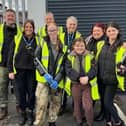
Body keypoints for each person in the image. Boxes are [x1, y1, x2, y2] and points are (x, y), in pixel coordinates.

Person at [33, 23, 67, 126]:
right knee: (41, 104)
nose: (52, 32)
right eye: (50, 30)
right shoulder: (42, 43)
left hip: (56, 82)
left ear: (58, 31)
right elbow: (36, 60)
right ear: (47, 32)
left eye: (54, 30)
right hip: (44, 80)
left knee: (55, 103)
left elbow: (63, 66)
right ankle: (38, 123)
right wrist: (44, 74)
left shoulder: (63, 46)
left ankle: (52, 122)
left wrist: (57, 79)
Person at [8, 19, 38, 126]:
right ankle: (23, 114)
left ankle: (30, 113)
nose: (28, 29)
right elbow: (10, 55)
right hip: (19, 71)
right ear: (23, 28)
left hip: (32, 71)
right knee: (21, 94)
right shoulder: (17, 39)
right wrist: (10, 70)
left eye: (30, 27)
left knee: (31, 93)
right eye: (27, 27)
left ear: (33, 28)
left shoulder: (37, 40)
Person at [95, 22, 125, 126]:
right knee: (104, 102)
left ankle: (118, 121)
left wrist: (124, 69)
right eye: (109, 30)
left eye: (113, 30)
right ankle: (108, 122)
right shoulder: (101, 44)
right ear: (106, 33)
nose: (111, 32)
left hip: (112, 80)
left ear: (118, 31)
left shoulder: (123, 46)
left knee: (108, 102)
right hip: (101, 78)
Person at [65, 37, 99, 126]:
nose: (79, 47)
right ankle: (79, 121)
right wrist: (79, 78)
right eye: (77, 46)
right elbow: (68, 70)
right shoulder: (69, 57)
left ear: (85, 46)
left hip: (87, 85)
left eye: (81, 45)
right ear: (73, 46)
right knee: (77, 104)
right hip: (75, 84)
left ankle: (89, 123)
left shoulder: (91, 56)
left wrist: (87, 77)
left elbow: (94, 69)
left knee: (87, 106)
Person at [0, 9, 21, 120]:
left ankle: (19, 106)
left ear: (15, 17)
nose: (10, 18)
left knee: (17, 87)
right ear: (4, 17)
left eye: (12, 16)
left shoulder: (19, 31)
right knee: (2, 87)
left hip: (15, 65)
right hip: (2, 64)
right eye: (8, 16)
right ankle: (3, 108)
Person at [59, 16, 82, 114]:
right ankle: (62, 105)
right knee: (62, 86)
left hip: (73, 65)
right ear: (66, 25)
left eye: (74, 24)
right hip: (62, 64)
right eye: (70, 24)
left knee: (74, 85)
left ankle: (75, 107)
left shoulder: (79, 36)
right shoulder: (61, 35)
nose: (72, 26)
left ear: (76, 26)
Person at [85, 23, 106, 121]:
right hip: (91, 73)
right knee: (90, 94)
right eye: (94, 31)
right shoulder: (89, 40)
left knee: (103, 95)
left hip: (102, 73)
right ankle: (89, 113)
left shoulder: (106, 41)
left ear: (103, 31)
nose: (96, 32)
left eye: (98, 31)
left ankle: (103, 113)